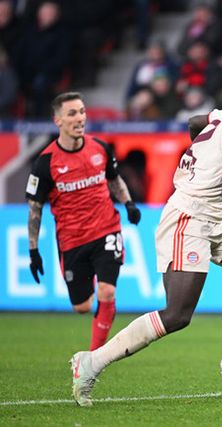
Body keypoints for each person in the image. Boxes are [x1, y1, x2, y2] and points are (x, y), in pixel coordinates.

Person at [69, 76, 222, 407]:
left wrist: (204, 157)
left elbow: (196, 123)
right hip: (189, 218)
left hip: (217, 219)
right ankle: (91, 362)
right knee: (177, 315)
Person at [26, 92, 141, 353]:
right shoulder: (45, 163)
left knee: (107, 291)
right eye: (72, 114)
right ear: (58, 120)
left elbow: (114, 179)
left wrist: (129, 203)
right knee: (82, 307)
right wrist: (33, 250)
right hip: (72, 240)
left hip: (107, 229)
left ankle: (93, 358)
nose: (80, 118)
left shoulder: (99, 148)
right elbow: (35, 209)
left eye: (82, 112)